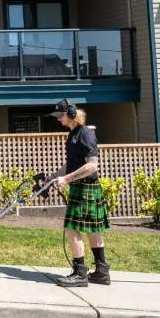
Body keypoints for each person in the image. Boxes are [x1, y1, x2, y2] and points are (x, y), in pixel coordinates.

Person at [47, 98, 110, 287]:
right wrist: (53, 176)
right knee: (92, 229)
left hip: (86, 188)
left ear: (72, 114)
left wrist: (66, 179)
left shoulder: (85, 134)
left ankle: (80, 273)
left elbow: (91, 165)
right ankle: (101, 272)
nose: (58, 119)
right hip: (81, 187)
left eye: (61, 115)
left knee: (71, 228)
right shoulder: (73, 134)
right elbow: (72, 164)